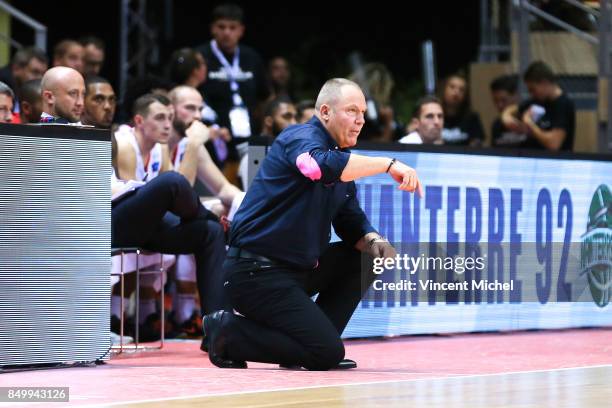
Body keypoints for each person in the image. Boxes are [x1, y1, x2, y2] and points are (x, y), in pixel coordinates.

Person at [202, 78, 422, 371]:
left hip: (296, 272)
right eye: (352, 111)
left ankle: (313, 345)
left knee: (366, 258)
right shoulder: (299, 137)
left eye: (363, 114)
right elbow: (315, 167)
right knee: (326, 353)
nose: (360, 121)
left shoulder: (341, 160)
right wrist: (388, 164)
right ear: (326, 111)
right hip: (255, 273)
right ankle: (228, 332)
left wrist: (376, 243)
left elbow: (351, 222)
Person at [114, 93, 229, 324]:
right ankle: (210, 218)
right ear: (138, 121)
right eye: (159, 118)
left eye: (169, 117)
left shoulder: (161, 148)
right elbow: (142, 197)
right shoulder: (125, 144)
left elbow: (177, 200)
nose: (167, 124)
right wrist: (195, 143)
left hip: (150, 227)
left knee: (210, 232)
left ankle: (217, 330)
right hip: (119, 224)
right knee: (171, 182)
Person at [195, 3, 269, 161]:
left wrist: (263, 129)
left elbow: (265, 96)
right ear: (212, 29)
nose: (227, 32)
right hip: (213, 140)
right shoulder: (200, 57)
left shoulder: (252, 57)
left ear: (241, 30)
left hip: (250, 138)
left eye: (232, 27)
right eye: (221, 27)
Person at [501, 61, 575, 151]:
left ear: (544, 83)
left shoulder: (563, 105)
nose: (531, 94)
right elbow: (512, 109)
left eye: (533, 89)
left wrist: (530, 124)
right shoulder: (538, 100)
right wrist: (507, 117)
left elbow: (553, 144)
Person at [238, 97, 297, 187]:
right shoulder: (255, 153)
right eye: (287, 117)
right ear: (269, 121)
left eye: (295, 117)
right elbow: (254, 197)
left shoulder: (291, 151)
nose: (294, 123)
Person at [439, 73, 484, 146]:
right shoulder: (435, 116)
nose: (456, 92)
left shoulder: (472, 118)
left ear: (465, 95)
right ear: (444, 89)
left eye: (461, 89)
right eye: (452, 87)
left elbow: (477, 141)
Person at [490, 75, 528, 148]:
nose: (499, 105)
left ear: (515, 96)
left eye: (503, 100)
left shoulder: (529, 119)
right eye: (496, 101)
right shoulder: (497, 125)